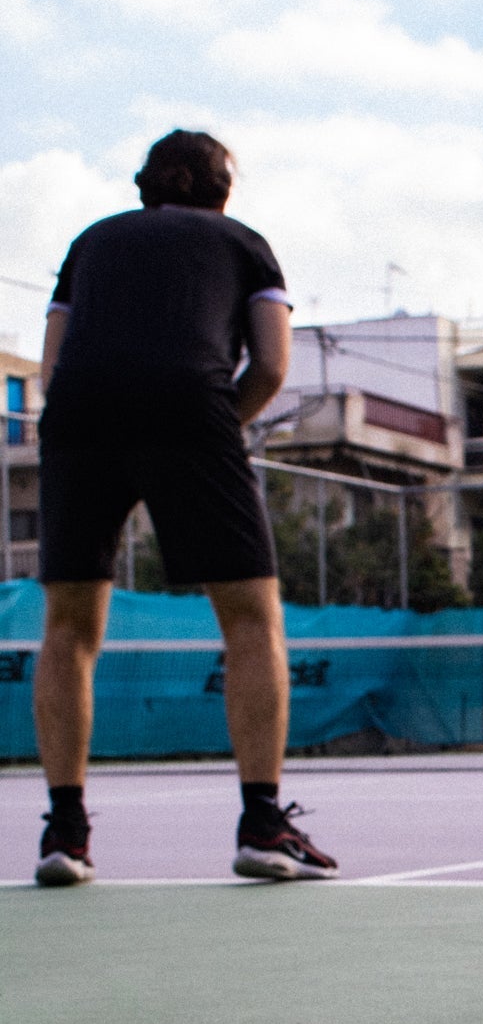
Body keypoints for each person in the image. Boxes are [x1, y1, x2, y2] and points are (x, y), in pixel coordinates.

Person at [32, 128, 337, 885]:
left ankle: (65, 835)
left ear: (144, 184)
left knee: (68, 628)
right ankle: (262, 824)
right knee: (250, 619)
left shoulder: (91, 243)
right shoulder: (243, 244)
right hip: (189, 410)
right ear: (222, 188)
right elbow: (269, 363)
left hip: (79, 417)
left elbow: (50, 367)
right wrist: (212, 427)